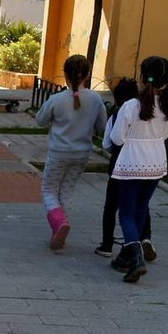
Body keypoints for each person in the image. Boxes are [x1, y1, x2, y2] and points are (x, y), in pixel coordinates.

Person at [107, 55, 168, 283]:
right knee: (139, 208)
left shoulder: (131, 106)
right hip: (156, 163)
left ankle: (135, 258)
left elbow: (117, 138)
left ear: (143, 77)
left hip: (131, 162)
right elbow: (165, 134)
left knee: (125, 212)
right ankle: (126, 256)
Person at [34, 54, 106, 251]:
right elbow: (102, 125)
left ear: (64, 73)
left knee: (49, 190)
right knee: (66, 190)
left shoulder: (57, 99)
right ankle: (59, 230)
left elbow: (40, 120)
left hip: (59, 153)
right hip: (82, 154)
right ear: (88, 74)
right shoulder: (95, 99)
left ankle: (58, 224)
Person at [98, 78, 152, 258]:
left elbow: (108, 142)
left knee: (111, 206)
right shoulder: (147, 112)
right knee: (141, 205)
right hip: (145, 165)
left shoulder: (117, 114)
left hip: (118, 167)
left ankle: (107, 244)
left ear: (116, 98)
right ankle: (145, 237)